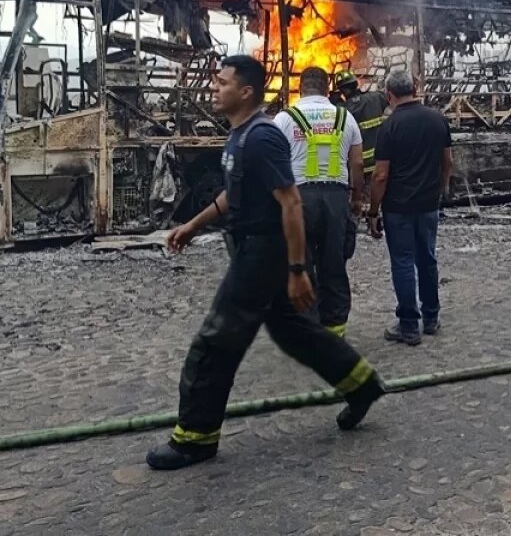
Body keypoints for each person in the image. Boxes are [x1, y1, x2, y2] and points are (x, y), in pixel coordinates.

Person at [148, 55, 385, 470]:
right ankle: (361, 385)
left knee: (216, 341)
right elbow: (232, 195)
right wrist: (192, 225)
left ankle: (195, 437)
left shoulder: (262, 136)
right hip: (251, 247)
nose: (214, 89)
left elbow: (290, 201)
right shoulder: (241, 137)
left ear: (246, 92)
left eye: (222, 83)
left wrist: (296, 270)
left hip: (261, 251)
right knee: (296, 332)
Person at [273, 67, 365, 338]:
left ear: (300, 88)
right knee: (333, 265)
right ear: (327, 89)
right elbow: (357, 163)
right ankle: (335, 331)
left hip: (298, 199)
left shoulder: (284, 119)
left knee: (301, 265)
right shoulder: (344, 117)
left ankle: (308, 330)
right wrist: (356, 199)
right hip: (336, 199)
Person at [367, 69, 453, 346]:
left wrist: (372, 210)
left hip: (398, 207)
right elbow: (447, 162)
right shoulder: (438, 119)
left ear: (389, 95)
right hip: (428, 204)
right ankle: (431, 317)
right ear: (415, 88)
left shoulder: (389, 127)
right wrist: (439, 190)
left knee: (403, 262)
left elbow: (381, 175)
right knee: (427, 258)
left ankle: (408, 325)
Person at [335, 69, 389, 176]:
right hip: (380, 163)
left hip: (359, 167)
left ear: (343, 91)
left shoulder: (342, 110)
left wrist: (335, 101)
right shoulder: (377, 97)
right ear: (356, 83)